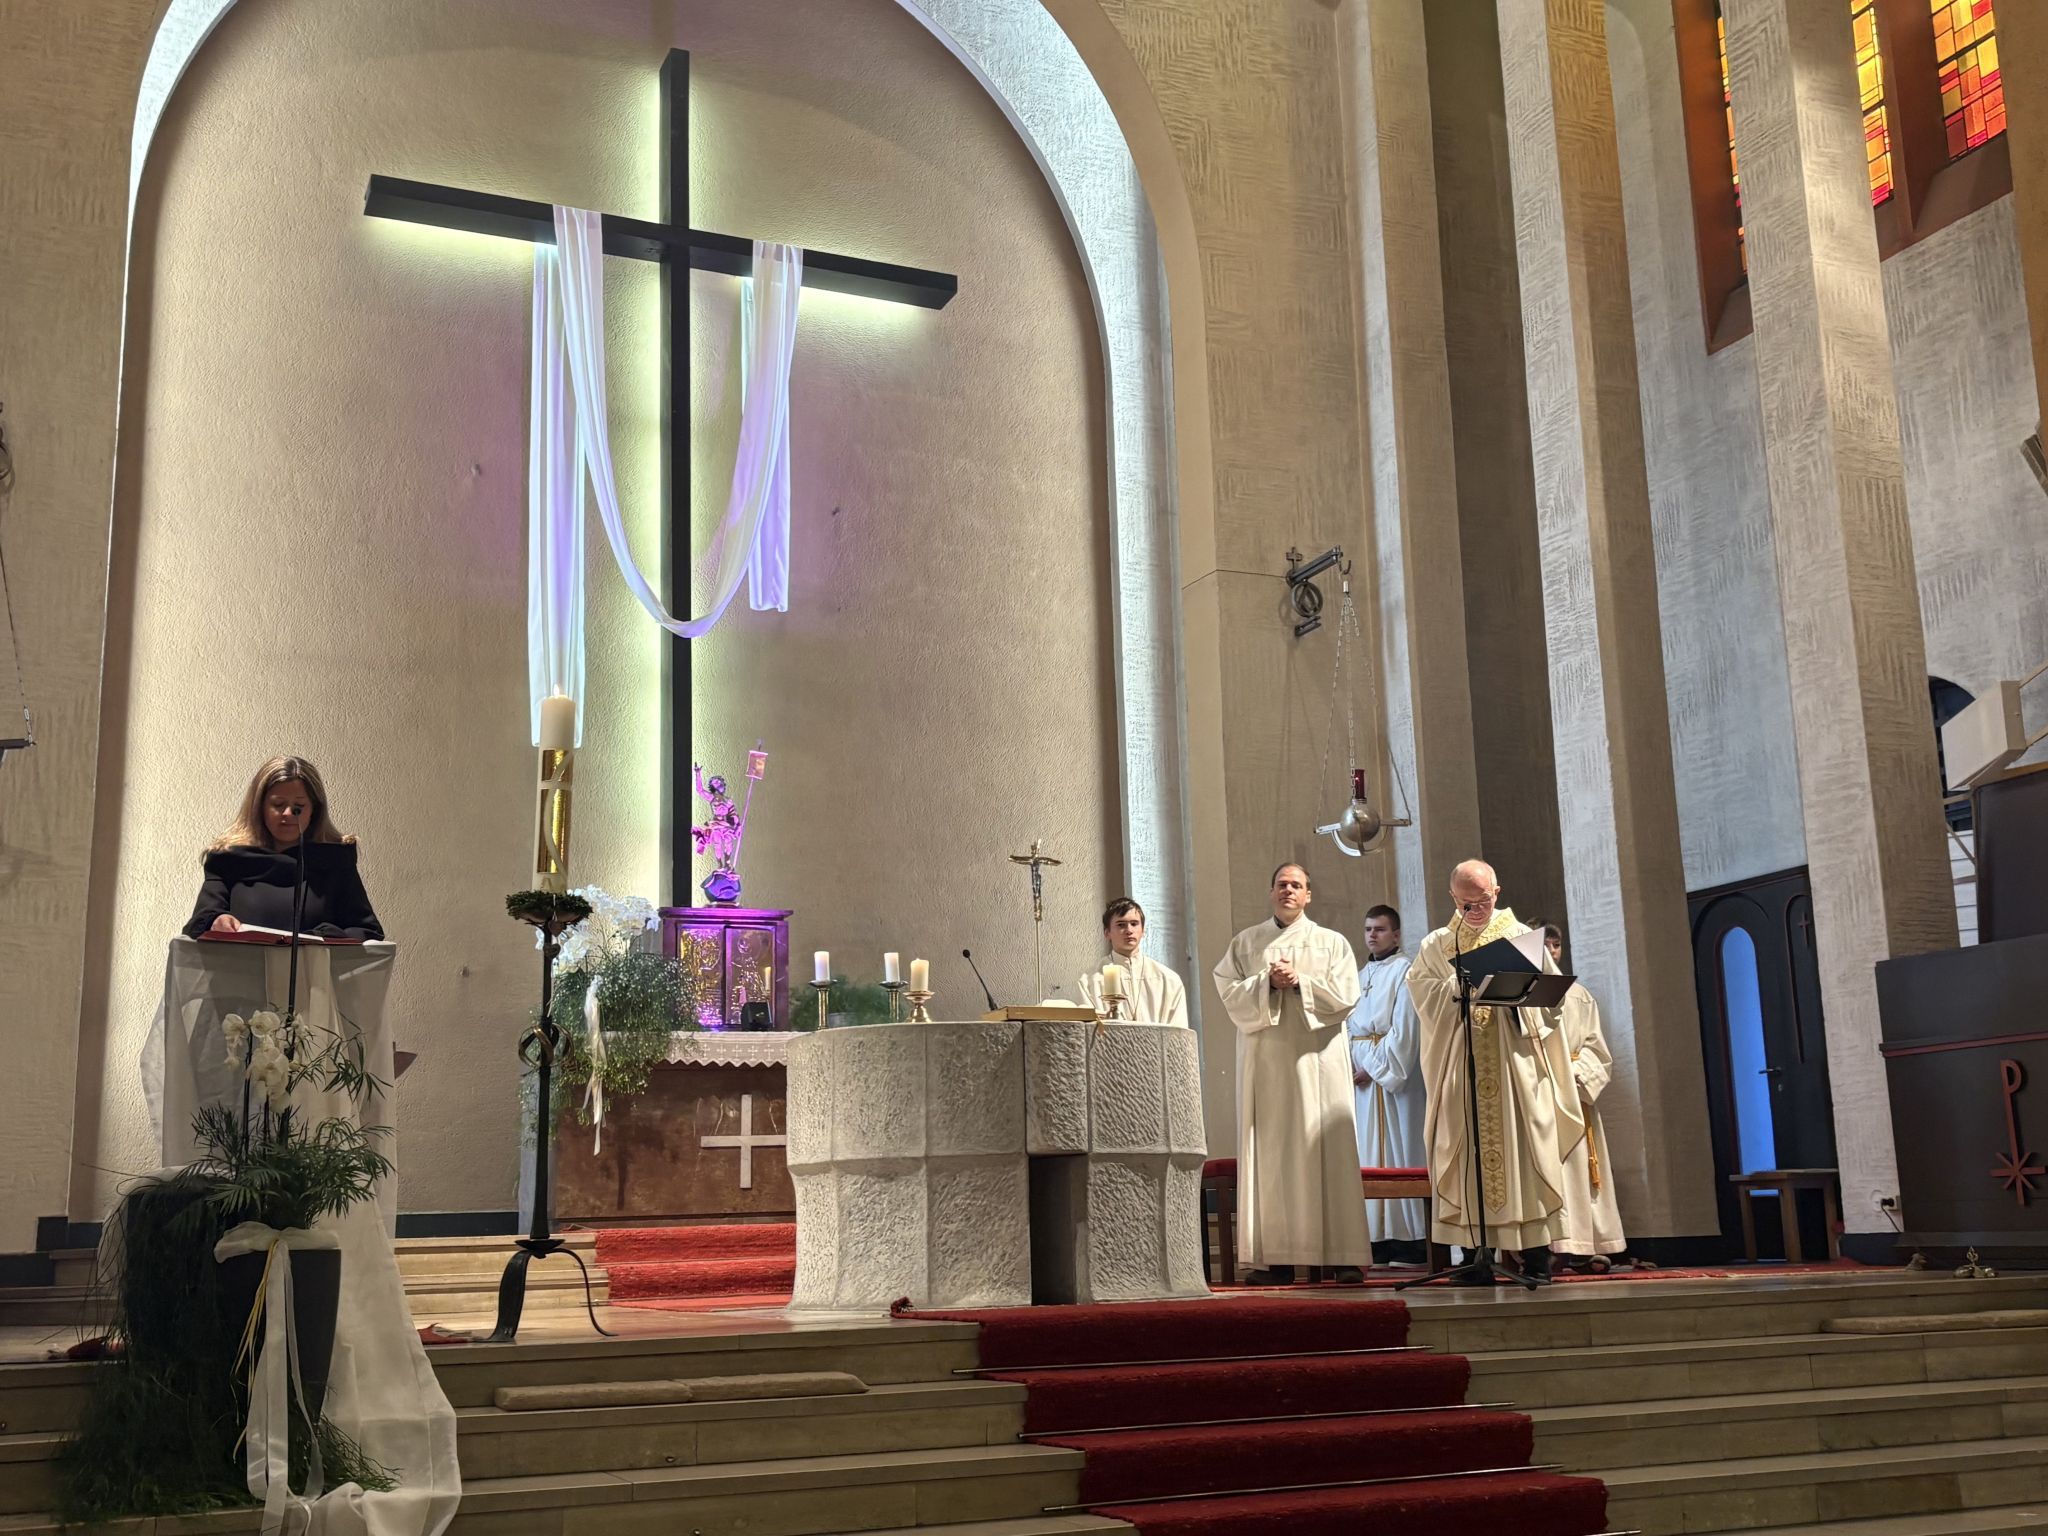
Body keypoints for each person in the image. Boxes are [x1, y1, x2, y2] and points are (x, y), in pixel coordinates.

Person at [1408, 860, 1582, 1284]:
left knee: (1527, 1154)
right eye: (1466, 903)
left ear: (1497, 892)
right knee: (1465, 1154)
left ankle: (1537, 1259)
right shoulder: (1437, 944)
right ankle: (1474, 1256)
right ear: (1453, 898)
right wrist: (1456, 986)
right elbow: (1422, 994)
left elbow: (1556, 1000)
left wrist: (1521, 994)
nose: (1475, 910)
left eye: (1482, 901)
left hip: (1513, 1069)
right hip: (1462, 1068)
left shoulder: (1522, 938)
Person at [1211, 863, 1370, 1285]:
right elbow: (1228, 992)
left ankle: (1342, 1256)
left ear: (1308, 895)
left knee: (1328, 1149)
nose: (1288, 891)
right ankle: (1275, 1258)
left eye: (1296, 885)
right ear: (1270, 891)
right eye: (1281, 884)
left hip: (1319, 1065)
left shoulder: (1331, 943)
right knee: (1272, 1153)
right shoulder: (1247, 943)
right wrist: (1266, 983)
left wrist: (1300, 982)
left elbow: (1346, 996)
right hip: (1268, 1066)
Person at [183, 755, 384, 940]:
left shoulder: (334, 861)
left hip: (313, 977)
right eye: (278, 805)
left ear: (314, 809)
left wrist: (323, 938)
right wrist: (216, 921)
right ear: (259, 807)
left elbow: (367, 931)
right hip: (242, 975)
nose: (288, 813)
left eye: (298, 807)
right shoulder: (229, 858)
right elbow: (201, 920)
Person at [1530, 921, 1630, 1273]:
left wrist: (1571, 1072)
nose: (1551, 952)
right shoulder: (1520, 995)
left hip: (1572, 1090)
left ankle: (1585, 1245)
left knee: (1578, 1172)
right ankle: (1544, 1248)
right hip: (1535, 1096)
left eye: (1555, 945)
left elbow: (1595, 1049)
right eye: (1543, 945)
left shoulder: (1579, 995)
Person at [1348, 904, 1426, 1265]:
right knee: (1369, 1157)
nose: (1372, 935)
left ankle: (1410, 1241)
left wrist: (1373, 1068)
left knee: (1400, 1154)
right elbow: (1347, 1027)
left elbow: (1405, 1029)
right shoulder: (1358, 974)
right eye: (1368, 929)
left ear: (1396, 934)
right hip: (1362, 1081)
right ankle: (1376, 1240)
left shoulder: (1407, 971)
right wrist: (1351, 1064)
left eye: (1380, 929)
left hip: (1394, 1081)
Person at [1078, 896, 1189, 1026]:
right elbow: (1086, 1032)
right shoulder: (1089, 981)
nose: (1129, 930)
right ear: (1107, 933)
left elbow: (1177, 1035)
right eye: (1121, 925)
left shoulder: (1168, 980)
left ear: (1143, 931)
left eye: (1134, 924)